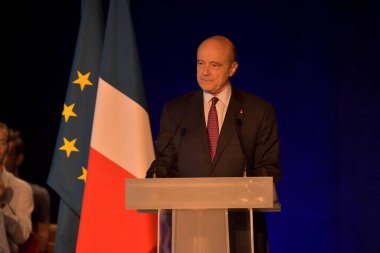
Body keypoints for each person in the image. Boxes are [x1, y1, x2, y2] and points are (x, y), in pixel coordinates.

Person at [146, 35, 281, 253]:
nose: (205, 71)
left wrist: (237, 194)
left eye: (214, 65)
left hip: (241, 233)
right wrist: (152, 180)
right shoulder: (176, 111)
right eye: (200, 63)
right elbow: (163, 167)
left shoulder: (258, 112)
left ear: (232, 69)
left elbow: (269, 169)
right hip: (187, 233)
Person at [3, 128, 51, 253]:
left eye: (8, 153)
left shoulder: (36, 194)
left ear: (19, 159)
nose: (4, 158)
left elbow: (40, 244)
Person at [0, 122, 34, 252]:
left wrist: (2, 205)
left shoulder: (22, 189)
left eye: (1, 142)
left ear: (7, 148)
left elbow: (22, 236)